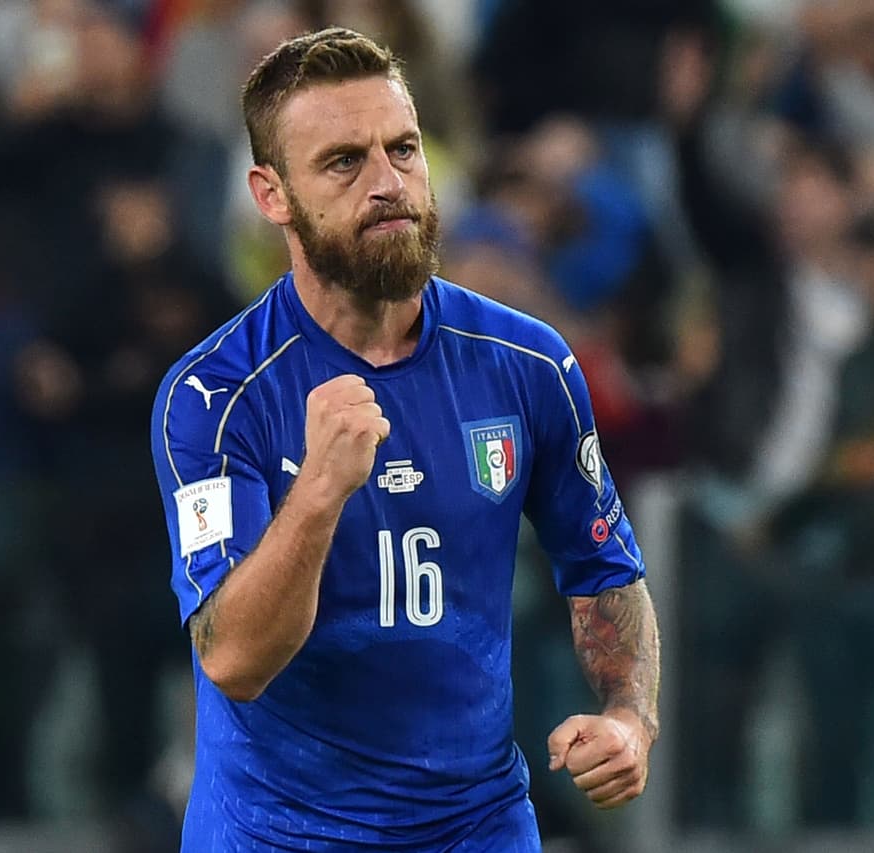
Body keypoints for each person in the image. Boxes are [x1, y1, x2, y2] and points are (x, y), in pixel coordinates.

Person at [149, 28, 660, 852]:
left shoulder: (527, 363)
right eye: (344, 161)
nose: (389, 182)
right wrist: (317, 492)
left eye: (405, 148)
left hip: (478, 828)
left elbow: (604, 566)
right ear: (271, 194)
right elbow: (234, 657)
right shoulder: (216, 396)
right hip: (278, 835)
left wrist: (629, 715)